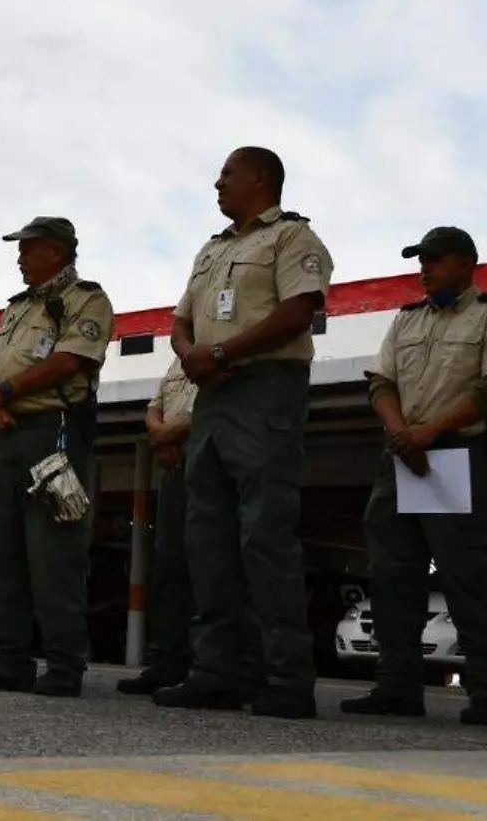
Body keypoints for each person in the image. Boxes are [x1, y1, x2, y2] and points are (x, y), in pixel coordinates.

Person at [156, 147, 332, 720]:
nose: (216, 183)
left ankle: (284, 677)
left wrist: (224, 352)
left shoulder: (291, 239)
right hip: (212, 395)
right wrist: (192, 358)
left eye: (227, 174)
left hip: (265, 391)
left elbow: (299, 309)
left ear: (260, 178)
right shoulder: (213, 248)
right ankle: (215, 673)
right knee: (206, 536)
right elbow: (180, 319)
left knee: (265, 534)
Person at [344, 226, 487, 727]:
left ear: (467, 262)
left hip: (457, 453)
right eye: (421, 260)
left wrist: (430, 432)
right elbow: (381, 382)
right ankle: (397, 686)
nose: (424, 269)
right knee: (391, 574)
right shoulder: (406, 321)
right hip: (403, 454)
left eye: (435, 259)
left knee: (466, 575)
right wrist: (403, 432)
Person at [0, 218, 114, 697]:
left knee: (53, 552)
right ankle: (6, 659)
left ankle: (64, 665)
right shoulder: (17, 309)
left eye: (27, 249)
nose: (20, 257)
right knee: (1, 551)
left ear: (56, 251)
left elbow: (69, 360)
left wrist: (5, 392)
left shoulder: (85, 298)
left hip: (54, 433)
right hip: (9, 433)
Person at [119, 357, 201, 694]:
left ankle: (213, 665)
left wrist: (171, 434)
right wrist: (162, 436)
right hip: (174, 469)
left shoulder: (225, 348)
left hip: (208, 464)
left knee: (209, 567)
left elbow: (215, 408)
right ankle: (167, 662)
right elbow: (155, 407)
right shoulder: (177, 365)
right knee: (169, 568)